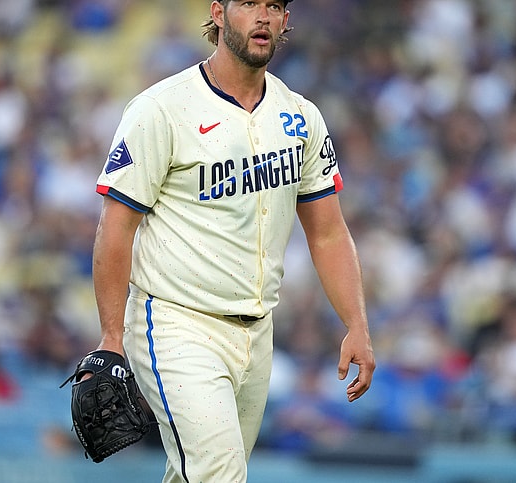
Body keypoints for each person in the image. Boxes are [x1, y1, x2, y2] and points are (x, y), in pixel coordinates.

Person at [87, 1, 375, 481]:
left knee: (197, 475)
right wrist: (112, 338)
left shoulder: (299, 115)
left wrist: (356, 323)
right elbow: (115, 227)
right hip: (177, 323)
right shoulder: (163, 109)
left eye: (274, 6)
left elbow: (326, 231)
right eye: (249, 4)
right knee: (220, 474)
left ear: (286, 20)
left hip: (257, 332)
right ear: (219, 13)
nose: (262, 16)